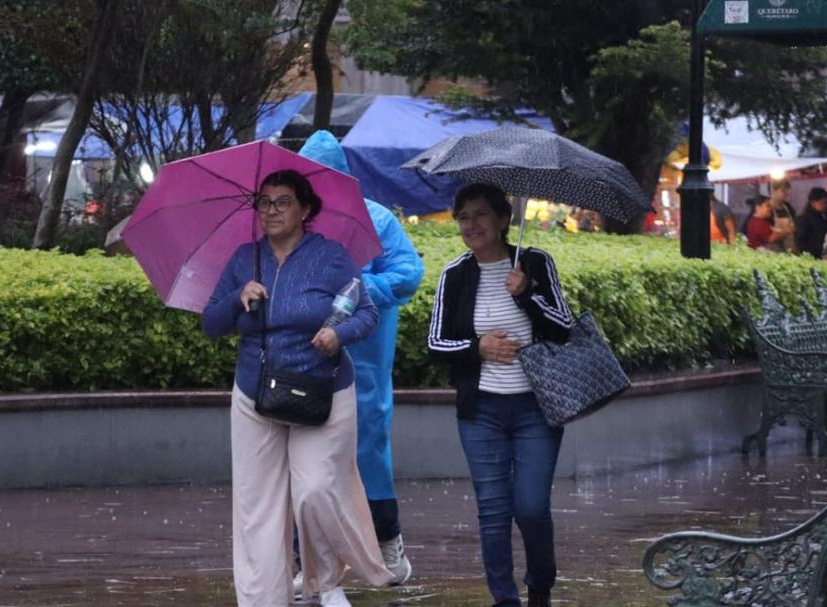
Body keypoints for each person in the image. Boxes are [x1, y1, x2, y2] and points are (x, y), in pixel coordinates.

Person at [201, 169, 392, 607]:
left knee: (315, 490)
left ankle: (327, 582)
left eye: (282, 201)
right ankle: (261, 598)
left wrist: (336, 337)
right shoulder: (244, 259)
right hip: (256, 392)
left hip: (323, 388)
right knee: (257, 507)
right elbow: (211, 324)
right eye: (264, 202)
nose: (271, 210)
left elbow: (366, 313)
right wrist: (237, 298)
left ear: (306, 210)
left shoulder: (330, 256)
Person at [427, 183, 574, 607]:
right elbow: (436, 344)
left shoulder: (534, 262)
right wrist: (478, 348)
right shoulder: (455, 275)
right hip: (481, 411)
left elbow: (562, 328)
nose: (471, 225)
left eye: (480, 215)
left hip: (536, 406)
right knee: (492, 510)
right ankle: (504, 599)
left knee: (530, 506)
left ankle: (540, 588)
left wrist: (526, 293)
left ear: (503, 219)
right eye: (463, 217)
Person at [297, 131, 423, 586]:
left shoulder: (376, 220)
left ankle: (388, 546)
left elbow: (409, 271)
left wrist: (359, 293)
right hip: (308, 362)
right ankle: (307, 561)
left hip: (364, 362)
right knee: (307, 458)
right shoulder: (295, 226)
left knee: (369, 454)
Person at [795, 187, 827, 259]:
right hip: (812, 257)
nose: (826, 206)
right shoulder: (804, 218)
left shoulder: (824, 216)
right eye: (824, 203)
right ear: (813, 203)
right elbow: (800, 242)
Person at [768, 178, 797, 253]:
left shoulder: (789, 207)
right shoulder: (767, 209)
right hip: (773, 252)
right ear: (773, 191)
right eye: (783, 190)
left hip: (790, 249)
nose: (786, 193)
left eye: (787, 190)